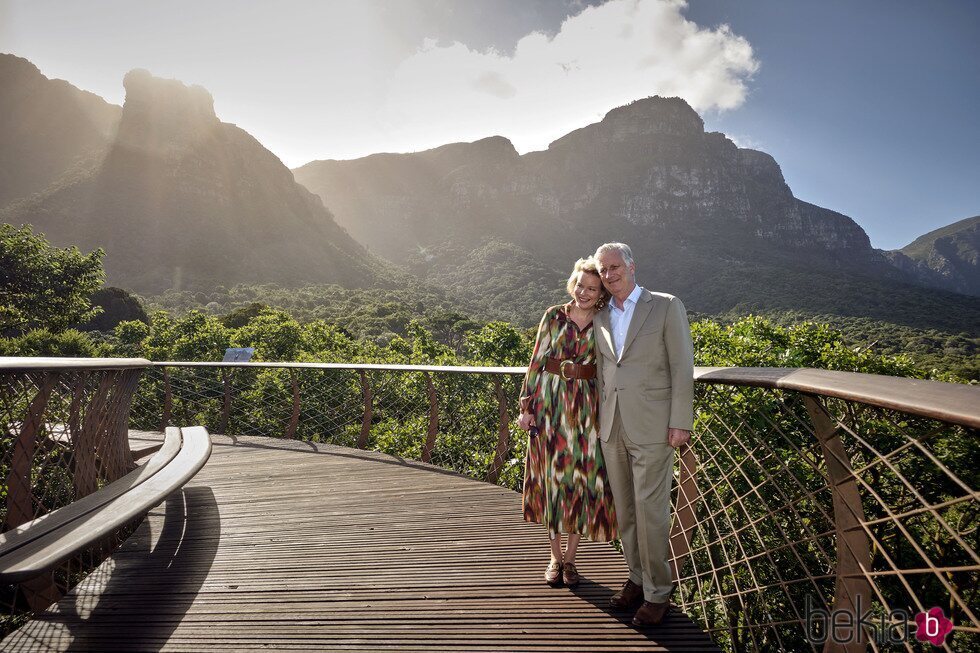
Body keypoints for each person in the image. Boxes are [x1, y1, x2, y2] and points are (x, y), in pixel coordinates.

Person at [592, 242, 694, 627]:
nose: (610, 274)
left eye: (615, 266)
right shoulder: (602, 315)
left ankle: (657, 593)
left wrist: (680, 420)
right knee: (626, 511)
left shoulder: (666, 305)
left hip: (654, 427)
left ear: (632, 266)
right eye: (604, 270)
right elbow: (605, 372)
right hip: (612, 426)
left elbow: (682, 365)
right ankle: (636, 577)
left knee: (651, 512)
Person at [518, 257, 618, 588]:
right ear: (571, 284)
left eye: (591, 288)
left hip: (586, 410)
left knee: (581, 479)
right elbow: (536, 360)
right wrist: (526, 405)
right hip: (549, 406)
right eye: (579, 285)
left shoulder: (606, 320)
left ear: (600, 292)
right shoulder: (553, 316)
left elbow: (610, 370)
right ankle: (554, 557)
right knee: (551, 478)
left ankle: (572, 561)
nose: (584, 292)